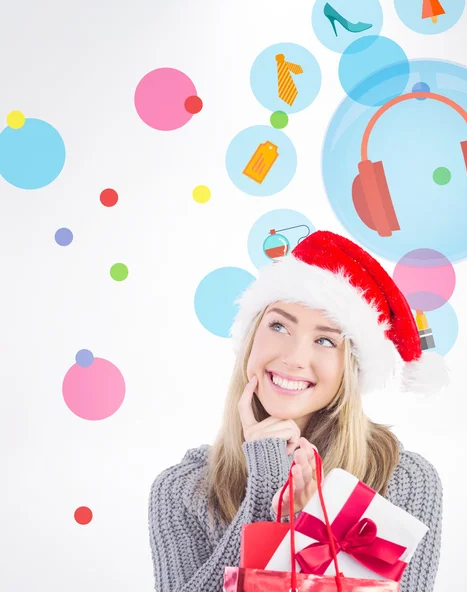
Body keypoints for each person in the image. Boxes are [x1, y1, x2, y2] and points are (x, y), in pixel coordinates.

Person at [148, 230, 447, 592]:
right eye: (278, 325)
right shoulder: (183, 490)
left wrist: (315, 525)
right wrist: (266, 486)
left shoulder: (402, 480)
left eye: (325, 340)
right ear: (251, 337)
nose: (293, 357)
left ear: (350, 367)